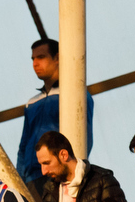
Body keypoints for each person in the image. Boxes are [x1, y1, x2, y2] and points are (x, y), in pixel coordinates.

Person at [15, 38, 93, 185]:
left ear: (57, 58)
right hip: (32, 180)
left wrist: (74, 173)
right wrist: (20, 179)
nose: (35, 64)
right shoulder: (32, 102)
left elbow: (84, 135)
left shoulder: (75, 93)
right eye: (33, 59)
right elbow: (24, 145)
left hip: (60, 175)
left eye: (41, 57)